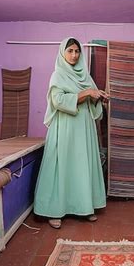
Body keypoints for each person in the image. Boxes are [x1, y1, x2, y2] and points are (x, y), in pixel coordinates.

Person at [34, 37, 108, 229]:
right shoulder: (57, 75)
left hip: (83, 128)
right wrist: (87, 94)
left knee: (81, 164)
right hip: (65, 127)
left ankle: (84, 207)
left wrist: (98, 97)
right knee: (62, 165)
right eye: (70, 51)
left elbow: (91, 100)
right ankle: (54, 210)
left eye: (77, 51)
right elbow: (58, 101)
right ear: (62, 53)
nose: (74, 55)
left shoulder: (85, 75)